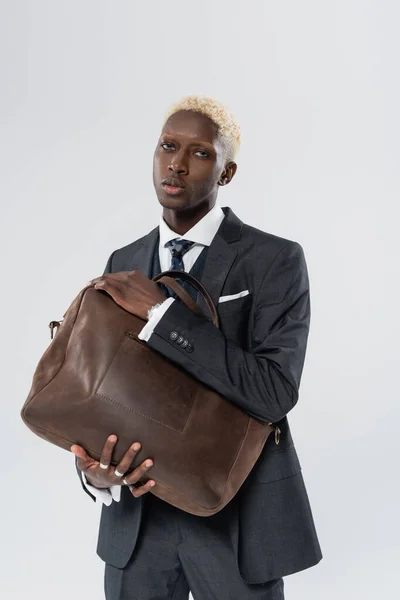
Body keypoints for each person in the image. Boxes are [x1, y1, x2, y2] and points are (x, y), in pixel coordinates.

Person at [71, 95, 322, 599]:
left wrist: (163, 316)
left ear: (226, 173)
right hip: (136, 524)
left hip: (234, 521)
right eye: (167, 146)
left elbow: (274, 391)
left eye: (200, 152)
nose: (177, 163)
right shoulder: (124, 260)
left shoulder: (274, 260)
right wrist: (97, 472)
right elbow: (103, 386)